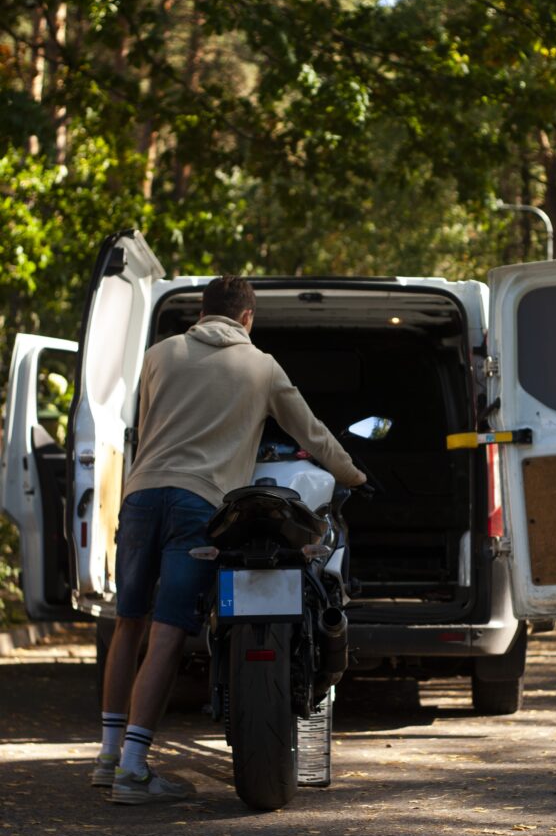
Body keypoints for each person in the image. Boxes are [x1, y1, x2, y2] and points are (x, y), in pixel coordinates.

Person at [91, 276, 366, 804]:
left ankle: (107, 755)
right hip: (199, 502)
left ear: (201, 311)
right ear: (247, 319)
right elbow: (309, 432)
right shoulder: (260, 364)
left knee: (129, 621)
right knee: (169, 631)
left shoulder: (160, 354)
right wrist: (353, 475)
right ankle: (132, 768)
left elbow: (147, 431)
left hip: (142, 495)